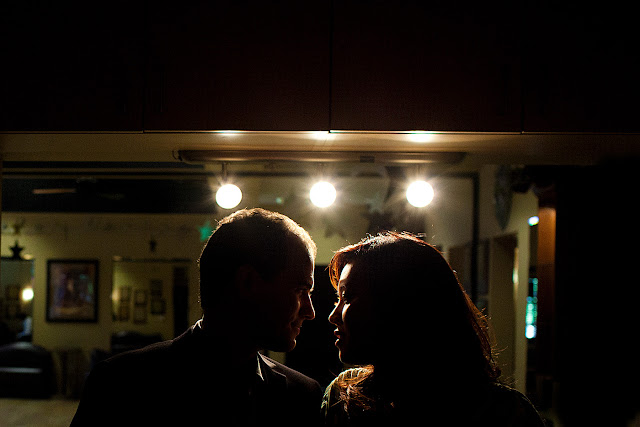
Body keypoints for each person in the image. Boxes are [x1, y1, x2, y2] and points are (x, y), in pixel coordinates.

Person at [72, 208, 322, 426]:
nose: (310, 312)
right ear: (248, 282)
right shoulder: (119, 386)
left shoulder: (302, 397)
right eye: (300, 290)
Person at [322, 232, 546, 426]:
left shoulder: (504, 414)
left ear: (401, 305)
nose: (333, 316)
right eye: (337, 299)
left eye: (347, 298)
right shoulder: (342, 397)